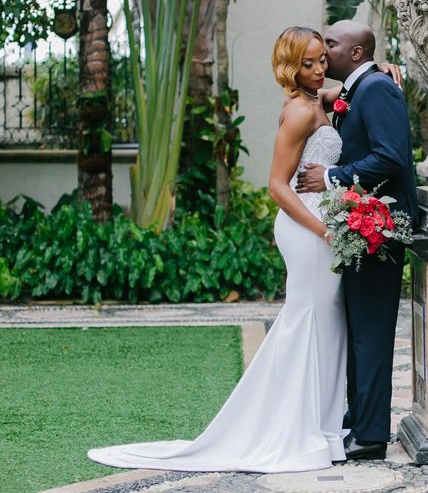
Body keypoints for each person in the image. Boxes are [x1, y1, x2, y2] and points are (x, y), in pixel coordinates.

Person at [87, 26, 402, 474]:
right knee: (306, 321)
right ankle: (291, 431)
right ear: (290, 68)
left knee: (327, 325)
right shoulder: (297, 111)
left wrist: (387, 70)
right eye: (308, 63)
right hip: (306, 228)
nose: (319, 69)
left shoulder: (319, 98)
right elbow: (276, 186)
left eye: (320, 60)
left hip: (323, 225)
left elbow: (354, 87)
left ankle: (324, 429)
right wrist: (323, 231)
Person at [297, 19, 418, 463]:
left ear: (355, 53)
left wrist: (330, 176)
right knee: (359, 331)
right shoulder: (358, 87)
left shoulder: (376, 89)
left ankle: (370, 436)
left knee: (371, 332)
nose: (323, 50)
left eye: (331, 43)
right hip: (358, 227)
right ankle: (358, 421)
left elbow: (391, 156)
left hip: (380, 228)